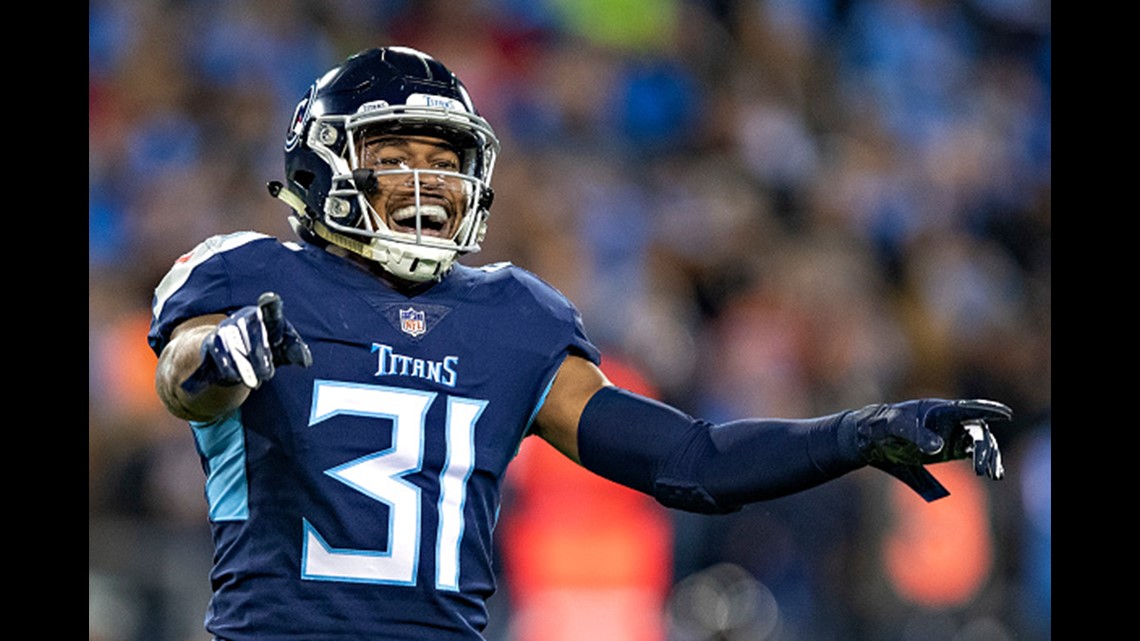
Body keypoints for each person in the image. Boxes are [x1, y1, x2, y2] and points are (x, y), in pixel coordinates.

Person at [148, 46, 1010, 641]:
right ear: (321, 167)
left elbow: (692, 461)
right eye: (396, 151)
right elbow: (186, 377)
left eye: (444, 157)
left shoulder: (511, 315)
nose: (427, 178)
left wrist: (857, 433)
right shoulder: (248, 275)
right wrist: (223, 358)